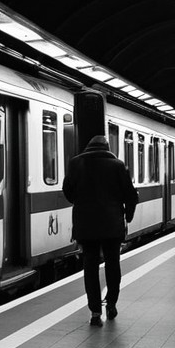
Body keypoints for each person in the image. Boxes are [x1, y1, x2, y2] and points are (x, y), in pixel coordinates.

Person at [63, 134, 139, 326]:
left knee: (90, 266)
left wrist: (81, 204)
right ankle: (111, 303)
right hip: (112, 225)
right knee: (113, 264)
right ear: (107, 148)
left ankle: (95, 311)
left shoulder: (75, 164)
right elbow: (131, 195)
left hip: (85, 225)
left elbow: (68, 191)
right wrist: (127, 217)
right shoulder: (117, 165)